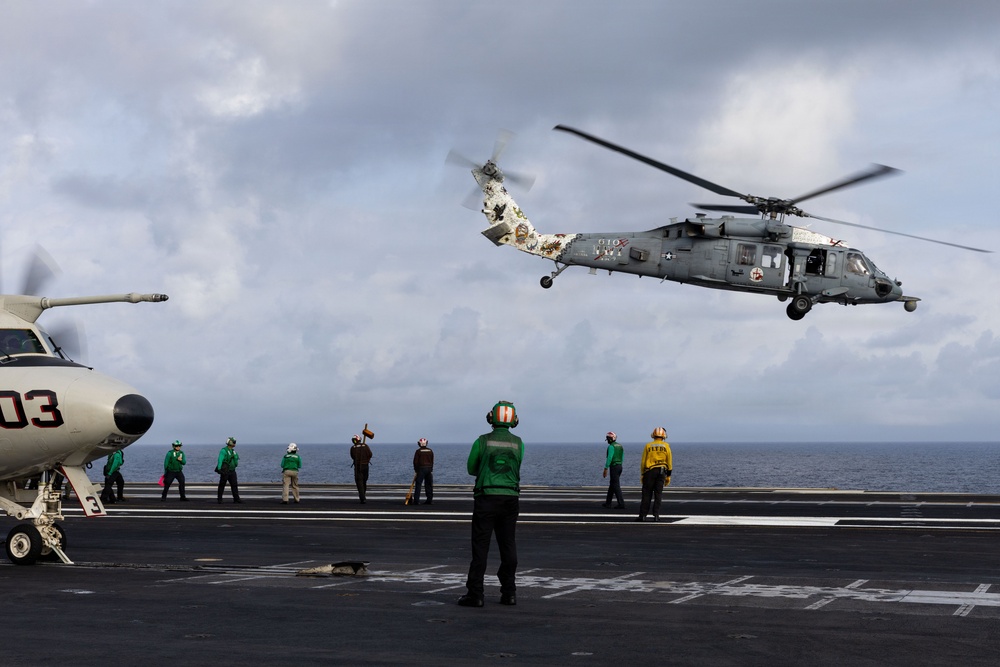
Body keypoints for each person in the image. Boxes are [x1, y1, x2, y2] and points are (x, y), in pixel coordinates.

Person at [458, 400, 524, 608]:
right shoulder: (518, 443)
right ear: (514, 420)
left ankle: (475, 594)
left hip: (486, 498)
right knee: (508, 545)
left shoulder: (482, 441)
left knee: (480, 547)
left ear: (491, 418)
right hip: (510, 499)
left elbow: (471, 468)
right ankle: (509, 593)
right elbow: (517, 465)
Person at [636, 427, 672, 522]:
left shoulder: (648, 446)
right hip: (661, 472)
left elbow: (643, 461)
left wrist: (642, 474)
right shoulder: (666, 446)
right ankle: (656, 516)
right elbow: (669, 461)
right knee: (658, 494)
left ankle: (643, 516)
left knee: (646, 494)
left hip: (649, 472)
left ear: (653, 435)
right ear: (664, 436)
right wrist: (668, 475)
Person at [602, 431, 625, 509]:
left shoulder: (611, 446)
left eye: (608, 439)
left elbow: (609, 458)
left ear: (610, 439)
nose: (607, 440)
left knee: (615, 485)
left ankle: (621, 503)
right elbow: (622, 457)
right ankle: (608, 503)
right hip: (619, 466)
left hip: (614, 467)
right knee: (612, 484)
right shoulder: (620, 446)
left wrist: (606, 468)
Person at [216, 436, 241, 503]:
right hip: (225, 471)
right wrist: (219, 468)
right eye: (234, 442)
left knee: (234, 485)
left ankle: (236, 499)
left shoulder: (233, 451)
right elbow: (220, 460)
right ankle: (219, 499)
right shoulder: (224, 451)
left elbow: (236, 460)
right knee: (222, 485)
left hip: (232, 471)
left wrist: (235, 464)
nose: (235, 443)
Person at [350, 434, 373, 504]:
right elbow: (370, 454)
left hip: (358, 467)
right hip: (365, 466)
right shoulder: (365, 446)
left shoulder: (353, 448)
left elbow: (352, 456)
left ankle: (362, 497)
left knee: (359, 482)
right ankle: (363, 495)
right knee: (364, 481)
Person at [412, 438, 434, 505]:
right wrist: (431, 469)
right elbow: (432, 461)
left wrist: (416, 470)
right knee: (429, 485)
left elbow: (415, 462)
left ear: (419, 444)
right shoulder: (430, 451)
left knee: (418, 485)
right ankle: (429, 500)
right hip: (429, 469)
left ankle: (416, 500)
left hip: (421, 469)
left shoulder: (418, 451)